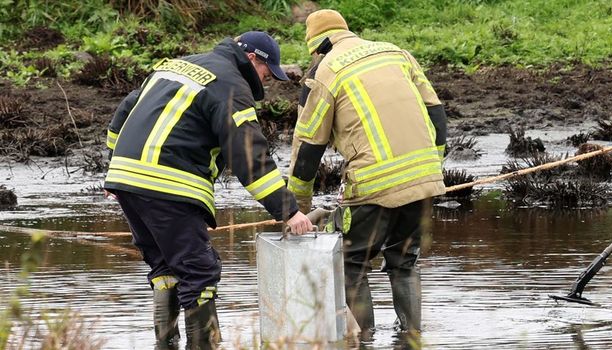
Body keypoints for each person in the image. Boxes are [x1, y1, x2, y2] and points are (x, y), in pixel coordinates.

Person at [104, 31, 314, 349]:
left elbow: (125, 110)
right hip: (170, 185)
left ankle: (166, 343)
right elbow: (249, 156)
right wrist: (290, 211)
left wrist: (115, 169)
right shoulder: (231, 85)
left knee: (165, 269)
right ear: (252, 59)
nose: (266, 82)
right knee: (199, 273)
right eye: (267, 73)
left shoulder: (178, 65)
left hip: (126, 180)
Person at [288, 9, 447, 340]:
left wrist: (299, 209)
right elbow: (437, 113)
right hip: (424, 179)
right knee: (404, 263)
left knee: (351, 264)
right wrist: (434, 167)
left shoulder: (326, 71)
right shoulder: (395, 52)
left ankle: (365, 339)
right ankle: (412, 337)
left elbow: (308, 152)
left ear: (317, 49)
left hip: (373, 184)